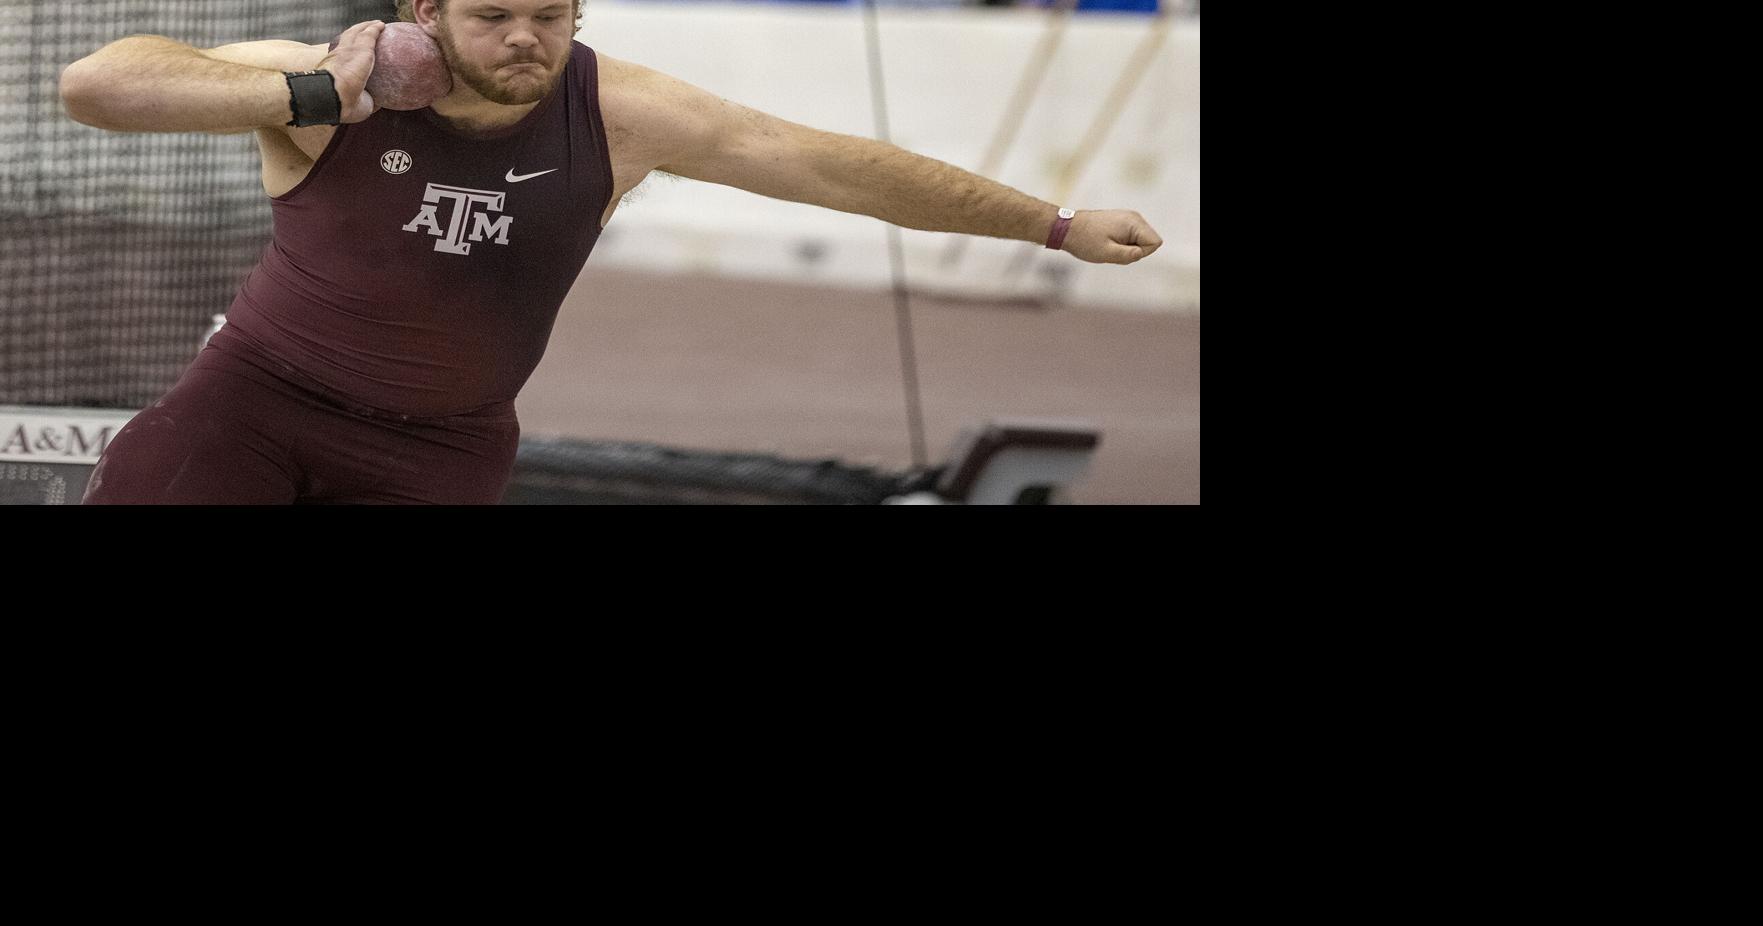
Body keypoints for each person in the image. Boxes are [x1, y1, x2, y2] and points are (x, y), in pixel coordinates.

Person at [58, 0, 1163, 504]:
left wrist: (1050, 225)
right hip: (254, 403)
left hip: (441, 452)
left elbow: (832, 164)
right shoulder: (322, 85)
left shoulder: (623, 114)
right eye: (492, 17)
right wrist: (313, 92)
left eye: (550, 14)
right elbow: (96, 83)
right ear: (423, 15)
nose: (526, 40)